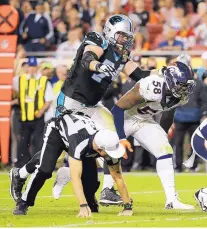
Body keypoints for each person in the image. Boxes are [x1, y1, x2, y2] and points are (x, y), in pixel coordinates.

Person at [9, 14, 161, 208]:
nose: (125, 40)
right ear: (111, 32)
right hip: (71, 102)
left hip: (93, 106)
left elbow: (139, 74)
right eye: (122, 35)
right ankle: (21, 173)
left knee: (113, 137)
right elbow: (87, 58)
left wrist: (163, 73)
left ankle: (108, 188)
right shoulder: (98, 39)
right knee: (59, 148)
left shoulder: (121, 55)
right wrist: (98, 66)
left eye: (127, 37)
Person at [109, 61, 195, 209]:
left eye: (186, 85)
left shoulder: (181, 97)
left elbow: (168, 114)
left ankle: (171, 200)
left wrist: (162, 133)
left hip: (144, 121)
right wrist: (121, 137)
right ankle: (106, 189)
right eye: (181, 85)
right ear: (169, 80)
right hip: (125, 118)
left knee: (165, 151)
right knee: (108, 149)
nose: (184, 89)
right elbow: (118, 108)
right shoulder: (151, 85)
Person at [13, 111, 131, 217]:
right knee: (44, 169)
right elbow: (75, 177)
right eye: (109, 153)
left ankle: (90, 198)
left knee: (91, 182)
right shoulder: (80, 143)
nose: (111, 156)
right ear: (99, 150)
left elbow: (118, 177)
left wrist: (127, 207)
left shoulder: (107, 141)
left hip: (82, 136)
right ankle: (23, 202)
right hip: (57, 131)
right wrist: (83, 206)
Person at [12, 57, 53, 168]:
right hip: (25, 116)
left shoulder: (43, 81)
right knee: (23, 141)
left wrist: (41, 111)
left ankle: (38, 162)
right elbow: (13, 86)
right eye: (29, 66)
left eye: (33, 66)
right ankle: (22, 163)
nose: (31, 69)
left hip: (38, 116)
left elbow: (49, 99)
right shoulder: (20, 79)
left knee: (37, 140)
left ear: (37, 67)